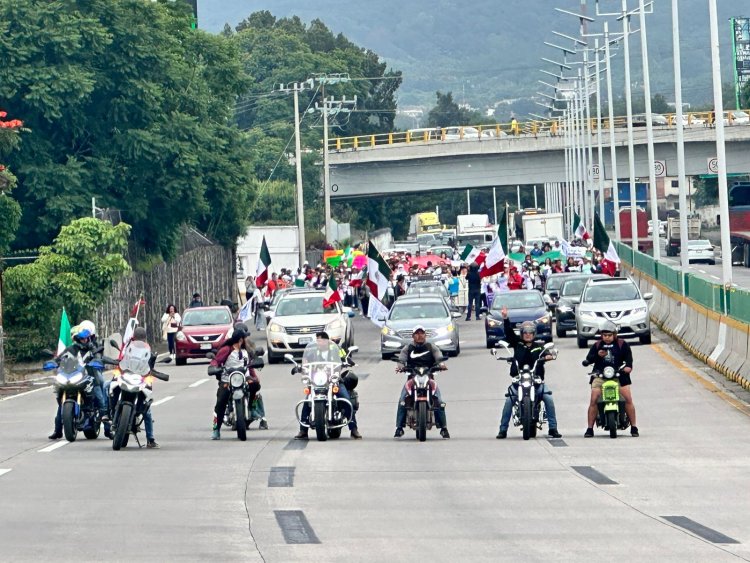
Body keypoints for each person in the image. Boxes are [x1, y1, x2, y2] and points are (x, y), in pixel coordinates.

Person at [496, 307, 562, 439]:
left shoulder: (539, 346)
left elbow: (547, 353)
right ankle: (502, 430)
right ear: (521, 333)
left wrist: (548, 356)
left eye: (530, 332)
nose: (527, 334)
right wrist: (505, 318)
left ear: (534, 333)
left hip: (536, 380)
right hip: (519, 379)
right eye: (525, 332)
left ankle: (553, 428)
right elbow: (508, 333)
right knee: (509, 400)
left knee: (548, 398)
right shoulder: (517, 343)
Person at [48, 321, 109, 439]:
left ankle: (108, 429)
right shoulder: (71, 349)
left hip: (91, 378)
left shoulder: (93, 348)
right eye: (82, 339)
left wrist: (98, 360)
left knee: (101, 401)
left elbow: (99, 357)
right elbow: (61, 358)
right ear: (77, 339)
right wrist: (54, 362)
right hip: (73, 377)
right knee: (61, 405)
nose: (85, 340)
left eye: (86, 338)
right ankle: (58, 430)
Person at [295, 332, 362, 440]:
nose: (318, 342)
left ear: (326, 340)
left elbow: (344, 357)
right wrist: (301, 368)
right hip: (317, 381)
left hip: (333, 380)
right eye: (316, 340)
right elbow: (305, 361)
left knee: (346, 399)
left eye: (320, 340)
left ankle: (353, 428)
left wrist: (347, 361)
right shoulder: (312, 351)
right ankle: (303, 430)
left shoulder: (336, 349)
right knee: (307, 401)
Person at [581, 322, 638, 437]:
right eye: (604, 335)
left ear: (615, 335)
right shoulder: (597, 346)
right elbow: (589, 359)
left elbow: (629, 360)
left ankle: (634, 427)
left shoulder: (622, 345)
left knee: (627, 398)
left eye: (609, 335)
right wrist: (597, 356)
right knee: (594, 398)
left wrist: (628, 367)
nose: (607, 337)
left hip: (619, 376)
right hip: (600, 376)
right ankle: (590, 428)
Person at [107, 326, 160, 448]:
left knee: (147, 407)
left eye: (141, 338)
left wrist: (153, 370)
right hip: (126, 374)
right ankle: (107, 411)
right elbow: (122, 359)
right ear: (134, 337)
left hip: (140, 378)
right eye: (138, 338)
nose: (140, 340)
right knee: (109, 387)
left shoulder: (148, 351)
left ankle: (150, 439)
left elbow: (149, 366)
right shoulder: (127, 348)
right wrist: (117, 363)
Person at [394, 326, 450, 439]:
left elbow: (439, 357)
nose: (420, 335)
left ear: (425, 335)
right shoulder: (407, 348)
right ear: (413, 336)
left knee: (439, 400)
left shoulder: (431, 347)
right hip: (412, 378)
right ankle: (399, 428)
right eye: (417, 333)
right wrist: (400, 367)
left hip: (428, 378)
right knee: (402, 400)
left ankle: (443, 428)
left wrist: (441, 365)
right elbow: (401, 360)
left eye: (422, 333)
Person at [207, 323, 253, 440]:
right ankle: (216, 429)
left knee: (255, 388)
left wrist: (252, 376)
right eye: (243, 339)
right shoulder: (227, 350)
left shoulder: (245, 352)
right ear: (240, 339)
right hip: (227, 379)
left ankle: (256, 414)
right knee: (221, 402)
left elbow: (249, 365)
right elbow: (216, 361)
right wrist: (213, 367)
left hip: (242, 379)